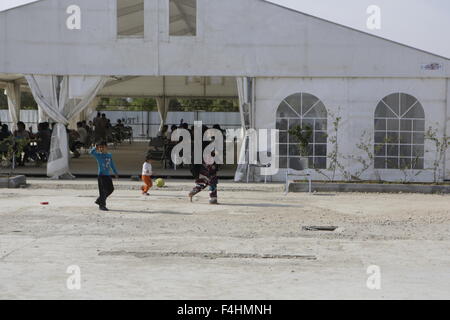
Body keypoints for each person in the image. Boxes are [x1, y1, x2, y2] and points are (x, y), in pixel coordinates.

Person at [89, 142, 119, 211]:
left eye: (102, 147)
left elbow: (112, 164)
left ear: (106, 147)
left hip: (107, 175)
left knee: (111, 189)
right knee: (103, 191)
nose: (101, 149)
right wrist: (95, 147)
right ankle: (102, 205)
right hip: (101, 176)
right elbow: (91, 152)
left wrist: (115, 172)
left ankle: (99, 200)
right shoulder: (98, 155)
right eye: (100, 147)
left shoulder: (109, 155)